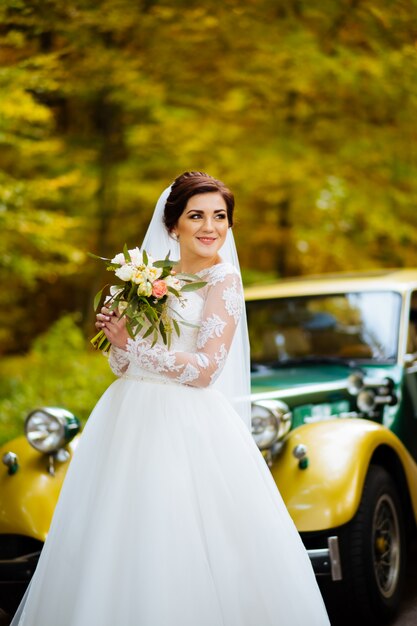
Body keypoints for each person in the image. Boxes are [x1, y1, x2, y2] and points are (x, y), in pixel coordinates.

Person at [11, 172, 330, 625]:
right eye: (196, 215)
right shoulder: (148, 277)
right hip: (127, 420)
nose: (210, 227)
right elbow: (122, 367)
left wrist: (132, 345)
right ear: (173, 224)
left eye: (220, 217)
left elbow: (204, 371)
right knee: (119, 535)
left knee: (181, 532)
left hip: (189, 423)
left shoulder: (225, 281)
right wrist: (116, 338)